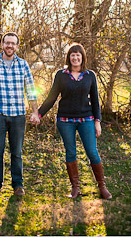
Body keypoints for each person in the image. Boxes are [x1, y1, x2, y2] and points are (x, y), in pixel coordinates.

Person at [31, 43, 112, 200]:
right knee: (70, 152)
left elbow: (95, 100)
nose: (75, 57)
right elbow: (52, 97)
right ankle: (75, 188)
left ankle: (102, 186)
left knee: (92, 152)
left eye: (78, 55)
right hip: (65, 120)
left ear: (82, 58)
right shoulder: (61, 75)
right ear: (69, 57)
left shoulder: (90, 75)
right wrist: (39, 114)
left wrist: (97, 121)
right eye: (72, 55)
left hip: (86, 119)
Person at [0, 31, 38, 197]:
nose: (9, 46)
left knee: (16, 152)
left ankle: (18, 185)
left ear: (17, 46)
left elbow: (31, 90)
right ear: (2, 44)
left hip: (18, 116)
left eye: (13, 43)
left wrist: (35, 111)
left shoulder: (23, 65)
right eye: (7, 43)